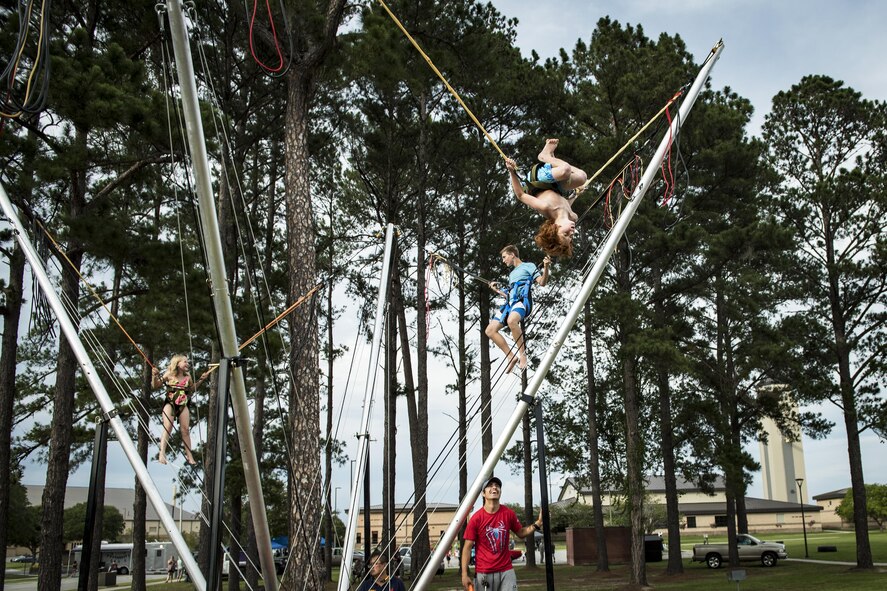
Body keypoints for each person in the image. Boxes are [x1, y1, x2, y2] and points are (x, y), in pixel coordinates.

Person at [505, 138, 588, 258]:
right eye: (571, 237)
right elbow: (565, 204)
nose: (572, 233)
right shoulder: (572, 216)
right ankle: (552, 160)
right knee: (582, 177)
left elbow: (521, 195)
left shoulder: (546, 208)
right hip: (556, 185)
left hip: (536, 181)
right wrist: (576, 193)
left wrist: (512, 172)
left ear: (555, 228)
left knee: (566, 170)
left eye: (566, 234)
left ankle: (545, 156)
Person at [461, 476, 542, 591]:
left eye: (497, 486)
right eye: (490, 486)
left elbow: (521, 532)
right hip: (484, 572)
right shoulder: (476, 519)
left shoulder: (508, 514)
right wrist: (464, 574)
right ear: (483, 494)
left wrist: (537, 524)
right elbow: (467, 548)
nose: (494, 487)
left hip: (506, 570)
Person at [485, 245, 550, 372]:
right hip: (510, 304)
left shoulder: (529, 266)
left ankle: (522, 354)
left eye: (504, 257)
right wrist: (497, 290)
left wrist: (546, 267)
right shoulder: (512, 274)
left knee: (511, 321)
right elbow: (510, 295)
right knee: (490, 331)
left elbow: (542, 282)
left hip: (522, 302)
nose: (503, 261)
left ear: (512, 254)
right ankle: (511, 357)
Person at [152, 355, 209, 465]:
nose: (187, 364)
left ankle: (189, 456)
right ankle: (162, 453)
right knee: (168, 426)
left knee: (185, 430)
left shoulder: (187, 377)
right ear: (177, 363)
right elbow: (156, 385)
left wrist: (201, 379)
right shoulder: (169, 374)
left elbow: (192, 389)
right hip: (170, 403)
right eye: (185, 362)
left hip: (183, 404)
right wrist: (154, 377)